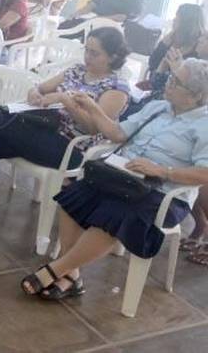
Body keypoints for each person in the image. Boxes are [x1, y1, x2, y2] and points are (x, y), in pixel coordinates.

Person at [21, 58, 208, 299]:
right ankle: (71, 274)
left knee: (114, 215)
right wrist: (92, 107)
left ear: (196, 96)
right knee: (73, 197)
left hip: (163, 191)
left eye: (176, 81)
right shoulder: (158, 107)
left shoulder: (203, 125)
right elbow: (117, 133)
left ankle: (55, 270)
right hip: (124, 174)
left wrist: (162, 171)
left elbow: (204, 173)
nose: (168, 83)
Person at [0, 27, 131, 226]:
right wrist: (35, 94)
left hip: (72, 148)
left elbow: (94, 129)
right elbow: (40, 88)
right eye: (87, 50)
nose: (88, 57)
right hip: (45, 130)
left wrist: (64, 100)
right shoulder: (77, 70)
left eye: (95, 53)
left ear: (112, 57)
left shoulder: (116, 88)